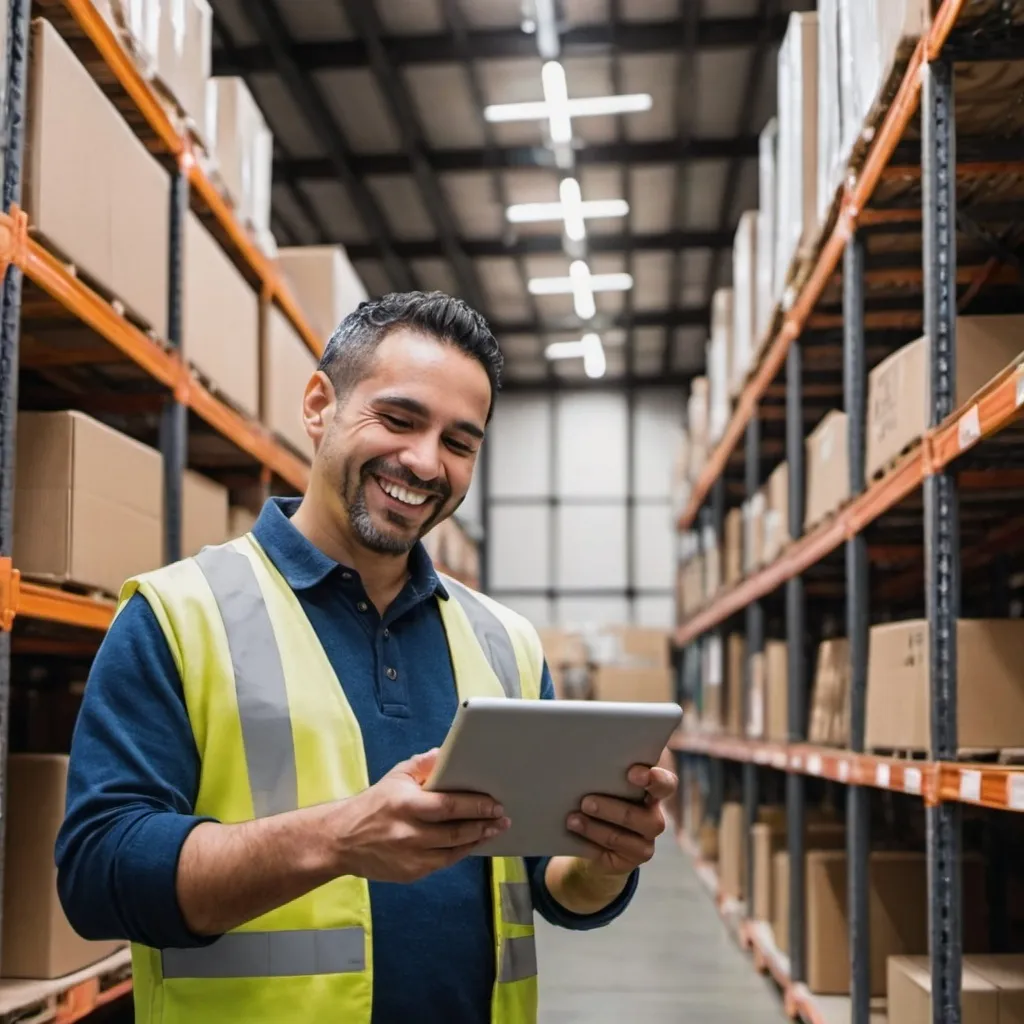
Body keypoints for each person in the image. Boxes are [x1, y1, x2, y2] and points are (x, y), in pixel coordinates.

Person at [55, 291, 678, 1024]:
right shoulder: (179, 615)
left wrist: (603, 863)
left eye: (459, 442)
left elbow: (549, 885)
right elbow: (98, 876)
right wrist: (339, 838)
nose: (423, 462)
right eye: (399, 419)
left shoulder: (504, 642)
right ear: (320, 405)